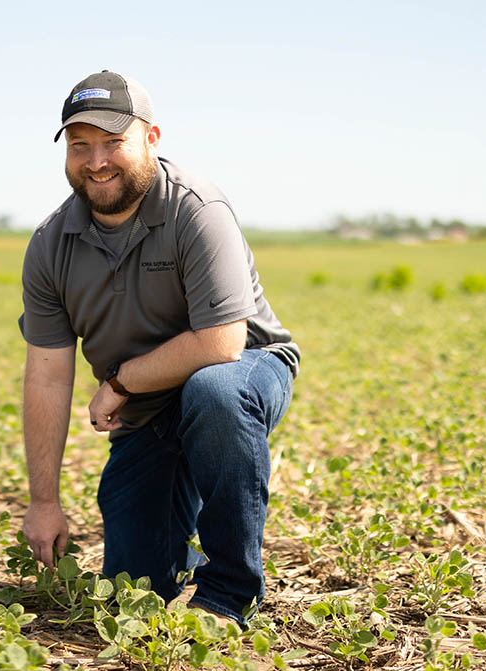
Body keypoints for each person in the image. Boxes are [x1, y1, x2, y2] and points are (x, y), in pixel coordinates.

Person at [18, 70, 300, 624]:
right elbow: (47, 375)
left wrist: (120, 383)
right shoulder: (51, 245)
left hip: (245, 369)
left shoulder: (197, 209)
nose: (96, 160)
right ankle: (180, 556)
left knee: (213, 393)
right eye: (80, 145)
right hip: (149, 409)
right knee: (136, 588)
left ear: (151, 139)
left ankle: (228, 591)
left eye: (112, 142)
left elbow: (222, 343)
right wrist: (43, 501)